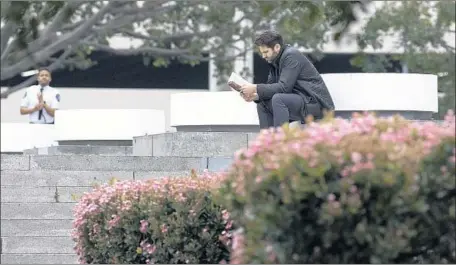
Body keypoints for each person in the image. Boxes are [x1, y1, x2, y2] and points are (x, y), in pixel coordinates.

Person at [240, 30, 335, 129]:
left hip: (316, 104)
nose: (263, 56)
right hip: (300, 100)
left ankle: (281, 140)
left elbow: (284, 88)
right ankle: (267, 142)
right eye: (262, 53)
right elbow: (271, 87)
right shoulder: (274, 61)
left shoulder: (291, 56)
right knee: (262, 103)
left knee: (278, 99)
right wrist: (255, 97)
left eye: (266, 52)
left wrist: (255, 87)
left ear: (277, 47)